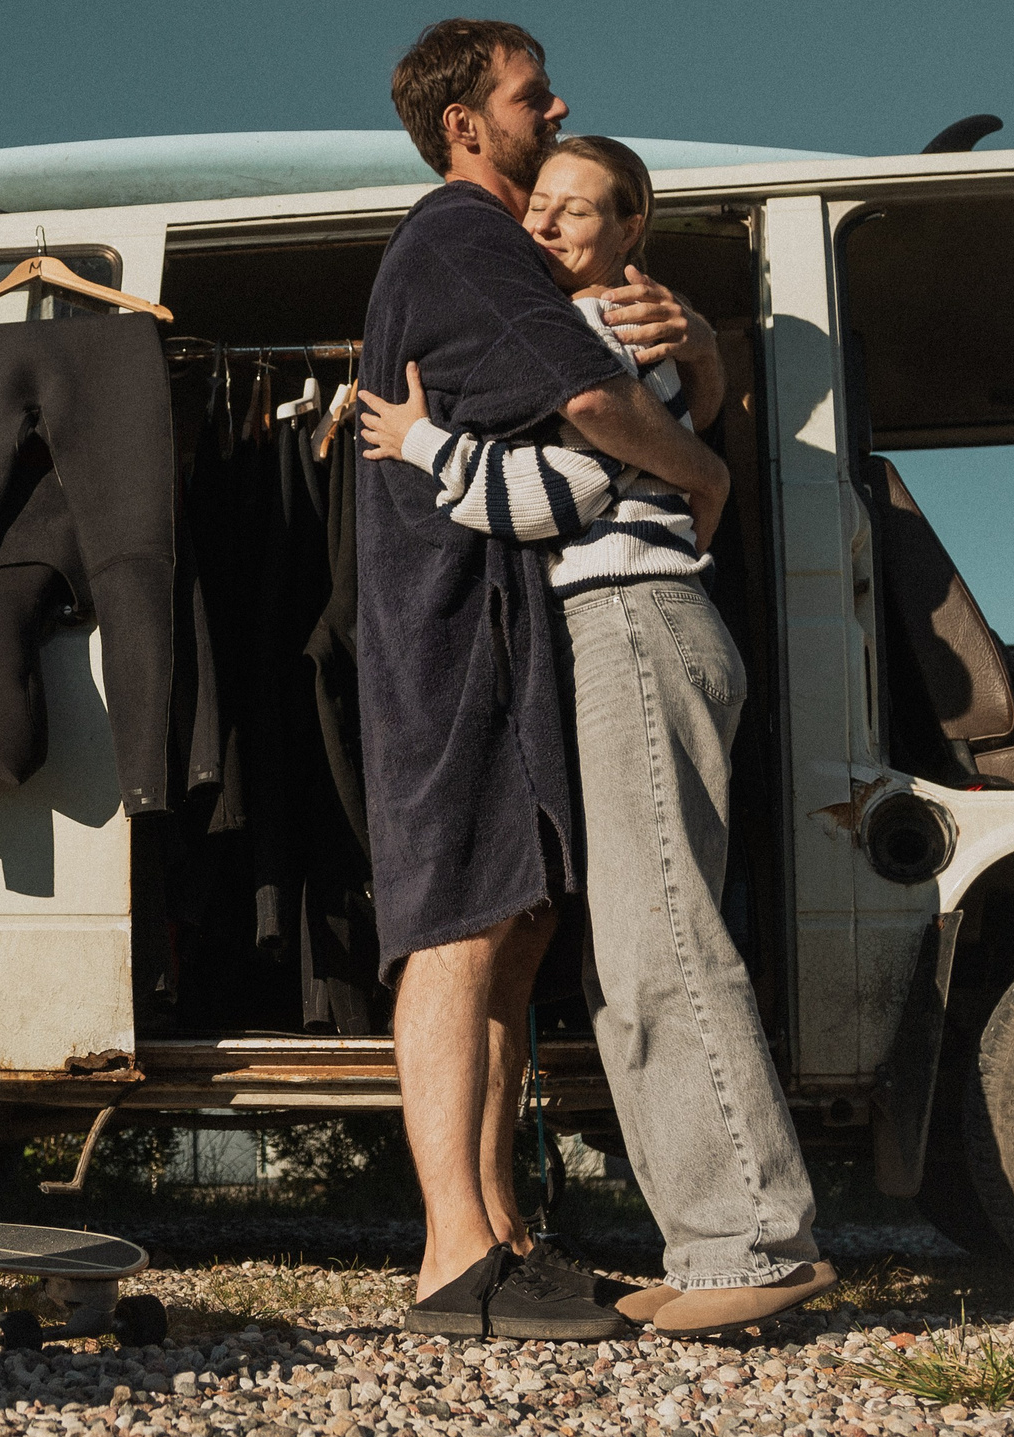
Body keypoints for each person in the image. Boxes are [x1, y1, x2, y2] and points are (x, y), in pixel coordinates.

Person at [360, 129, 839, 1337]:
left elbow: (554, 492)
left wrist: (416, 444)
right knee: (642, 938)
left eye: (580, 212)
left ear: (633, 234)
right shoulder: (619, 334)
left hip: (633, 622)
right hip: (632, 628)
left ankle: (749, 1243)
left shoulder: (622, 335)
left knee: (660, 936)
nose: (551, 227)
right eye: (544, 211)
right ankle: (723, 1241)